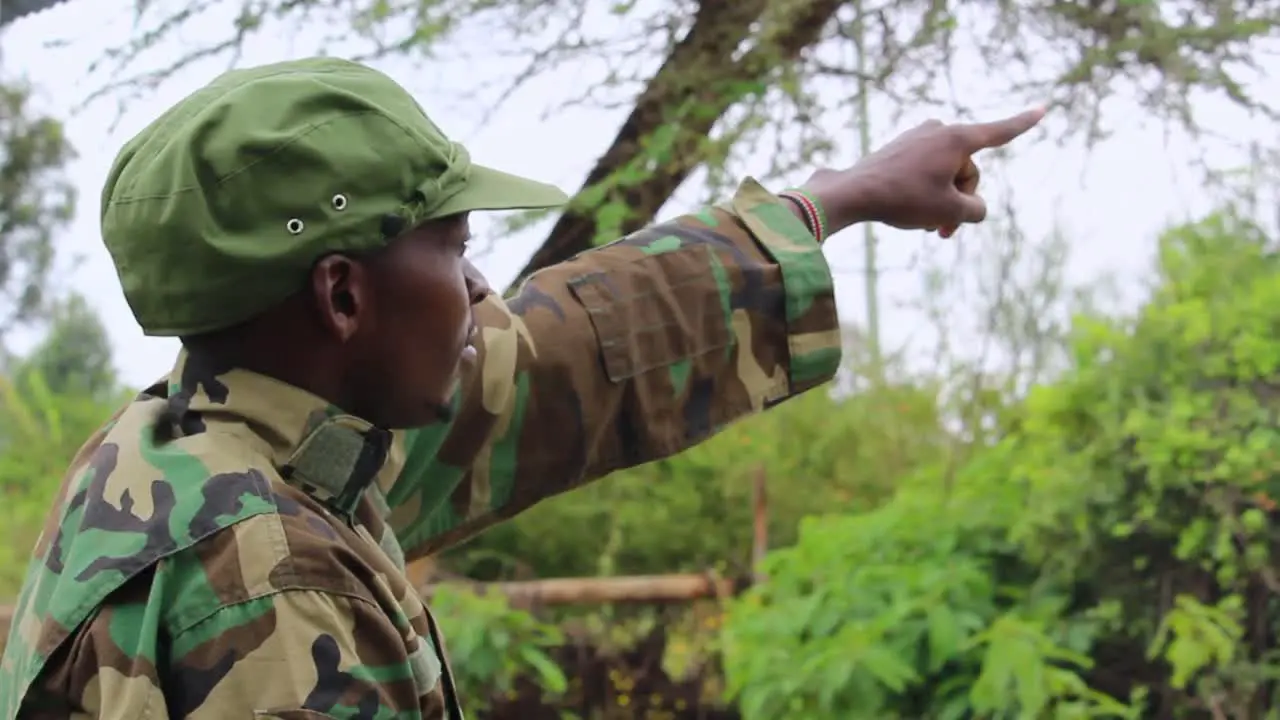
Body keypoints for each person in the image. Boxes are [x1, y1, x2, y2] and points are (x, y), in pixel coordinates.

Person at [0, 56, 1043, 719]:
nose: (479, 284)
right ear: (342, 296)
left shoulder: (187, 448)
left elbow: (560, 355)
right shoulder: (275, 589)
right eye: (453, 244)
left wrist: (838, 198)